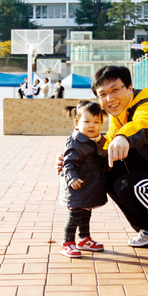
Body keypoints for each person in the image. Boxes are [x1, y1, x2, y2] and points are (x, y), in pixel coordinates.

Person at [56, 66, 148, 263]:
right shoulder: (119, 115)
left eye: (115, 90)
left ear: (129, 88)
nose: (110, 98)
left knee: (132, 186)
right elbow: (104, 147)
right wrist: (73, 157)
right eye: (103, 94)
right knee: (107, 172)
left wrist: (124, 137)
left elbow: (145, 124)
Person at [59, 101, 108, 258]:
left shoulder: (96, 140)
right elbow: (69, 163)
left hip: (87, 187)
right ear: (77, 123)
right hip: (77, 186)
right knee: (75, 217)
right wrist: (72, 178)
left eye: (96, 122)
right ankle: (67, 243)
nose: (91, 126)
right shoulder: (75, 142)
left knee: (86, 213)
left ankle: (84, 239)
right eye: (86, 121)